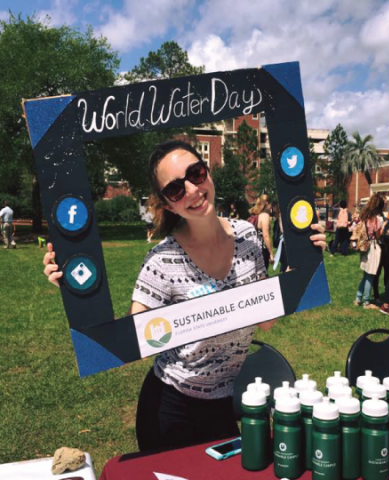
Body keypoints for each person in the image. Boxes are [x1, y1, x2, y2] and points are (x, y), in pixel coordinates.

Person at [43, 140, 327, 451]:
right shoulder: (162, 261)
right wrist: (76, 292)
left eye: (196, 173)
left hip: (223, 404)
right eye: (176, 189)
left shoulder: (248, 239)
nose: (192, 189)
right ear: (167, 204)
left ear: (209, 173)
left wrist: (304, 265)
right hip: (170, 407)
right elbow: (125, 341)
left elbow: (267, 319)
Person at [353, 194, 385, 309]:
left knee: (366, 275)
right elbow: (377, 236)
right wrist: (383, 229)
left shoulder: (365, 216)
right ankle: (366, 301)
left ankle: (358, 298)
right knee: (370, 276)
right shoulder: (378, 220)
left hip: (364, 247)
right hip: (373, 248)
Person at [248, 194, 274, 272]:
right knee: (263, 274)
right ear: (267, 203)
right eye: (271, 204)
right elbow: (265, 236)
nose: (271, 206)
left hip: (254, 249)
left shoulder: (256, 215)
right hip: (263, 250)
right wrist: (271, 253)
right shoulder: (265, 215)